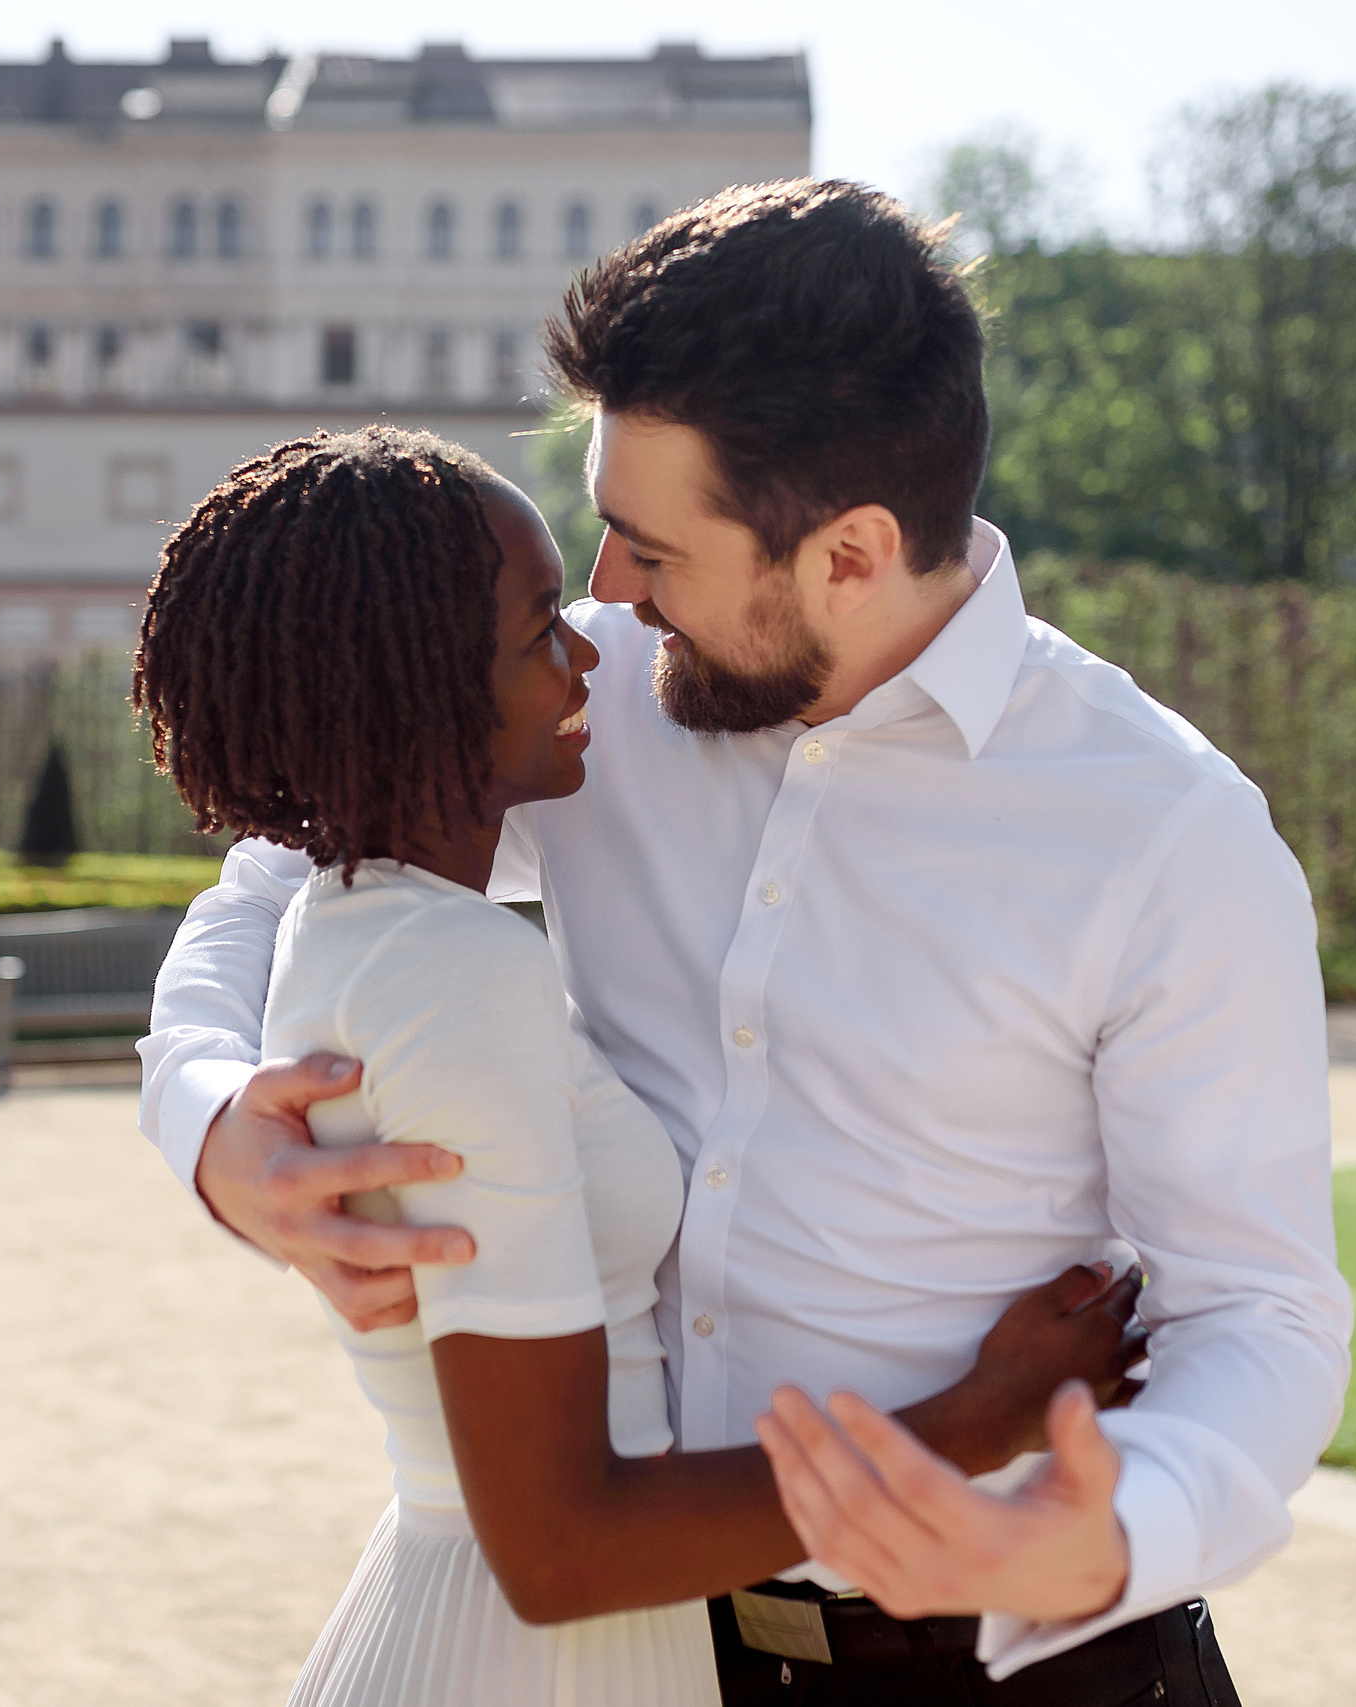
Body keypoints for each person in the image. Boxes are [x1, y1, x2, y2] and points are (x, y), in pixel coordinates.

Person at [143, 180, 1353, 1703]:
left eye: (651, 547)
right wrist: (207, 1122)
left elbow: (1260, 1311)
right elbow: (275, 879)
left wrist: (1109, 1531)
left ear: (846, 553)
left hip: (1026, 1663)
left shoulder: (1164, 830)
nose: (605, 594)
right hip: (664, 1649)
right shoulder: (592, 708)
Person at [130, 425, 1146, 1706]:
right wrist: (972, 1424)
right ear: (415, 692)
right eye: (540, 624)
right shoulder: (456, 972)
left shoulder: (376, 922)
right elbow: (561, 1546)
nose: (588, 655)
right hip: (533, 1653)